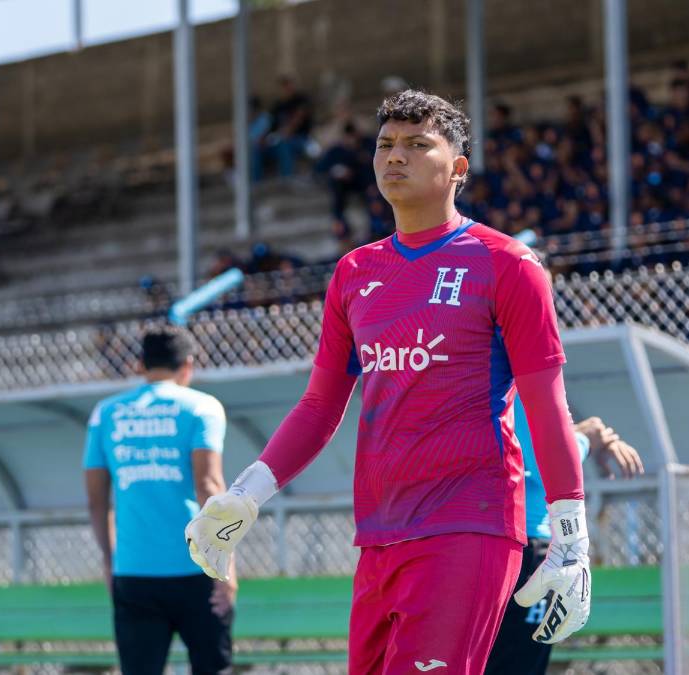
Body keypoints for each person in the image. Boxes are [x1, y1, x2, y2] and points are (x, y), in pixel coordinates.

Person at [187, 90, 592, 674]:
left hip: (469, 525)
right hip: (378, 535)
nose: (394, 157)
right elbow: (320, 405)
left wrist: (571, 538)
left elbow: (547, 407)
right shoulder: (355, 272)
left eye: (417, 144)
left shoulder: (507, 264)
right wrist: (244, 497)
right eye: (385, 145)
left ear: (458, 169)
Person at [84, 326, 234, 675]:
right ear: (188, 365)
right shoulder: (202, 407)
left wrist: (110, 561)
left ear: (140, 365)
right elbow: (210, 486)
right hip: (198, 569)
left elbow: (95, 501)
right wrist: (226, 567)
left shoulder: (105, 414)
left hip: (133, 571)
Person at [485, 411, 644, 675]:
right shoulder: (516, 377)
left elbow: (536, 442)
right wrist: (584, 440)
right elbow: (541, 462)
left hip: (503, 544)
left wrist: (582, 437)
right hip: (522, 546)